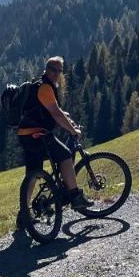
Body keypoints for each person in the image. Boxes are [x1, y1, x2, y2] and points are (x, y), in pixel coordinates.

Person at [17, 56, 91, 228]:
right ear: (47, 69)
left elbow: (55, 110)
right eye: (53, 69)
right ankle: (75, 196)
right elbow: (55, 113)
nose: (56, 73)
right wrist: (73, 130)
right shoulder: (45, 87)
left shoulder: (39, 85)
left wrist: (68, 119)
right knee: (65, 155)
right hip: (38, 134)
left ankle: (23, 216)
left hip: (25, 134)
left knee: (33, 173)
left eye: (59, 71)